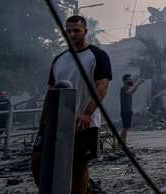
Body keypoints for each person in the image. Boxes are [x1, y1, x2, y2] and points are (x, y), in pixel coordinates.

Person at [31, 15, 112, 194]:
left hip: (84, 121)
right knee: (38, 159)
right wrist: (44, 120)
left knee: (78, 166)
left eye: (76, 30)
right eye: (68, 31)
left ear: (85, 32)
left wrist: (87, 113)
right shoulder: (59, 59)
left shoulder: (98, 56)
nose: (72, 34)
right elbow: (51, 91)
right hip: (56, 121)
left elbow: (102, 86)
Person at [119, 74, 145, 143]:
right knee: (125, 128)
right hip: (125, 111)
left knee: (126, 128)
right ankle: (121, 143)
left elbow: (132, 91)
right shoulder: (124, 88)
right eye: (129, 79)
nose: (131, 80)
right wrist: (138, 84)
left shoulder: (127, 87)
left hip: (128, 111)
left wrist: (138, 84)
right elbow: (130, 92)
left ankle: (122, 142)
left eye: (131, 79)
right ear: (125, 81)